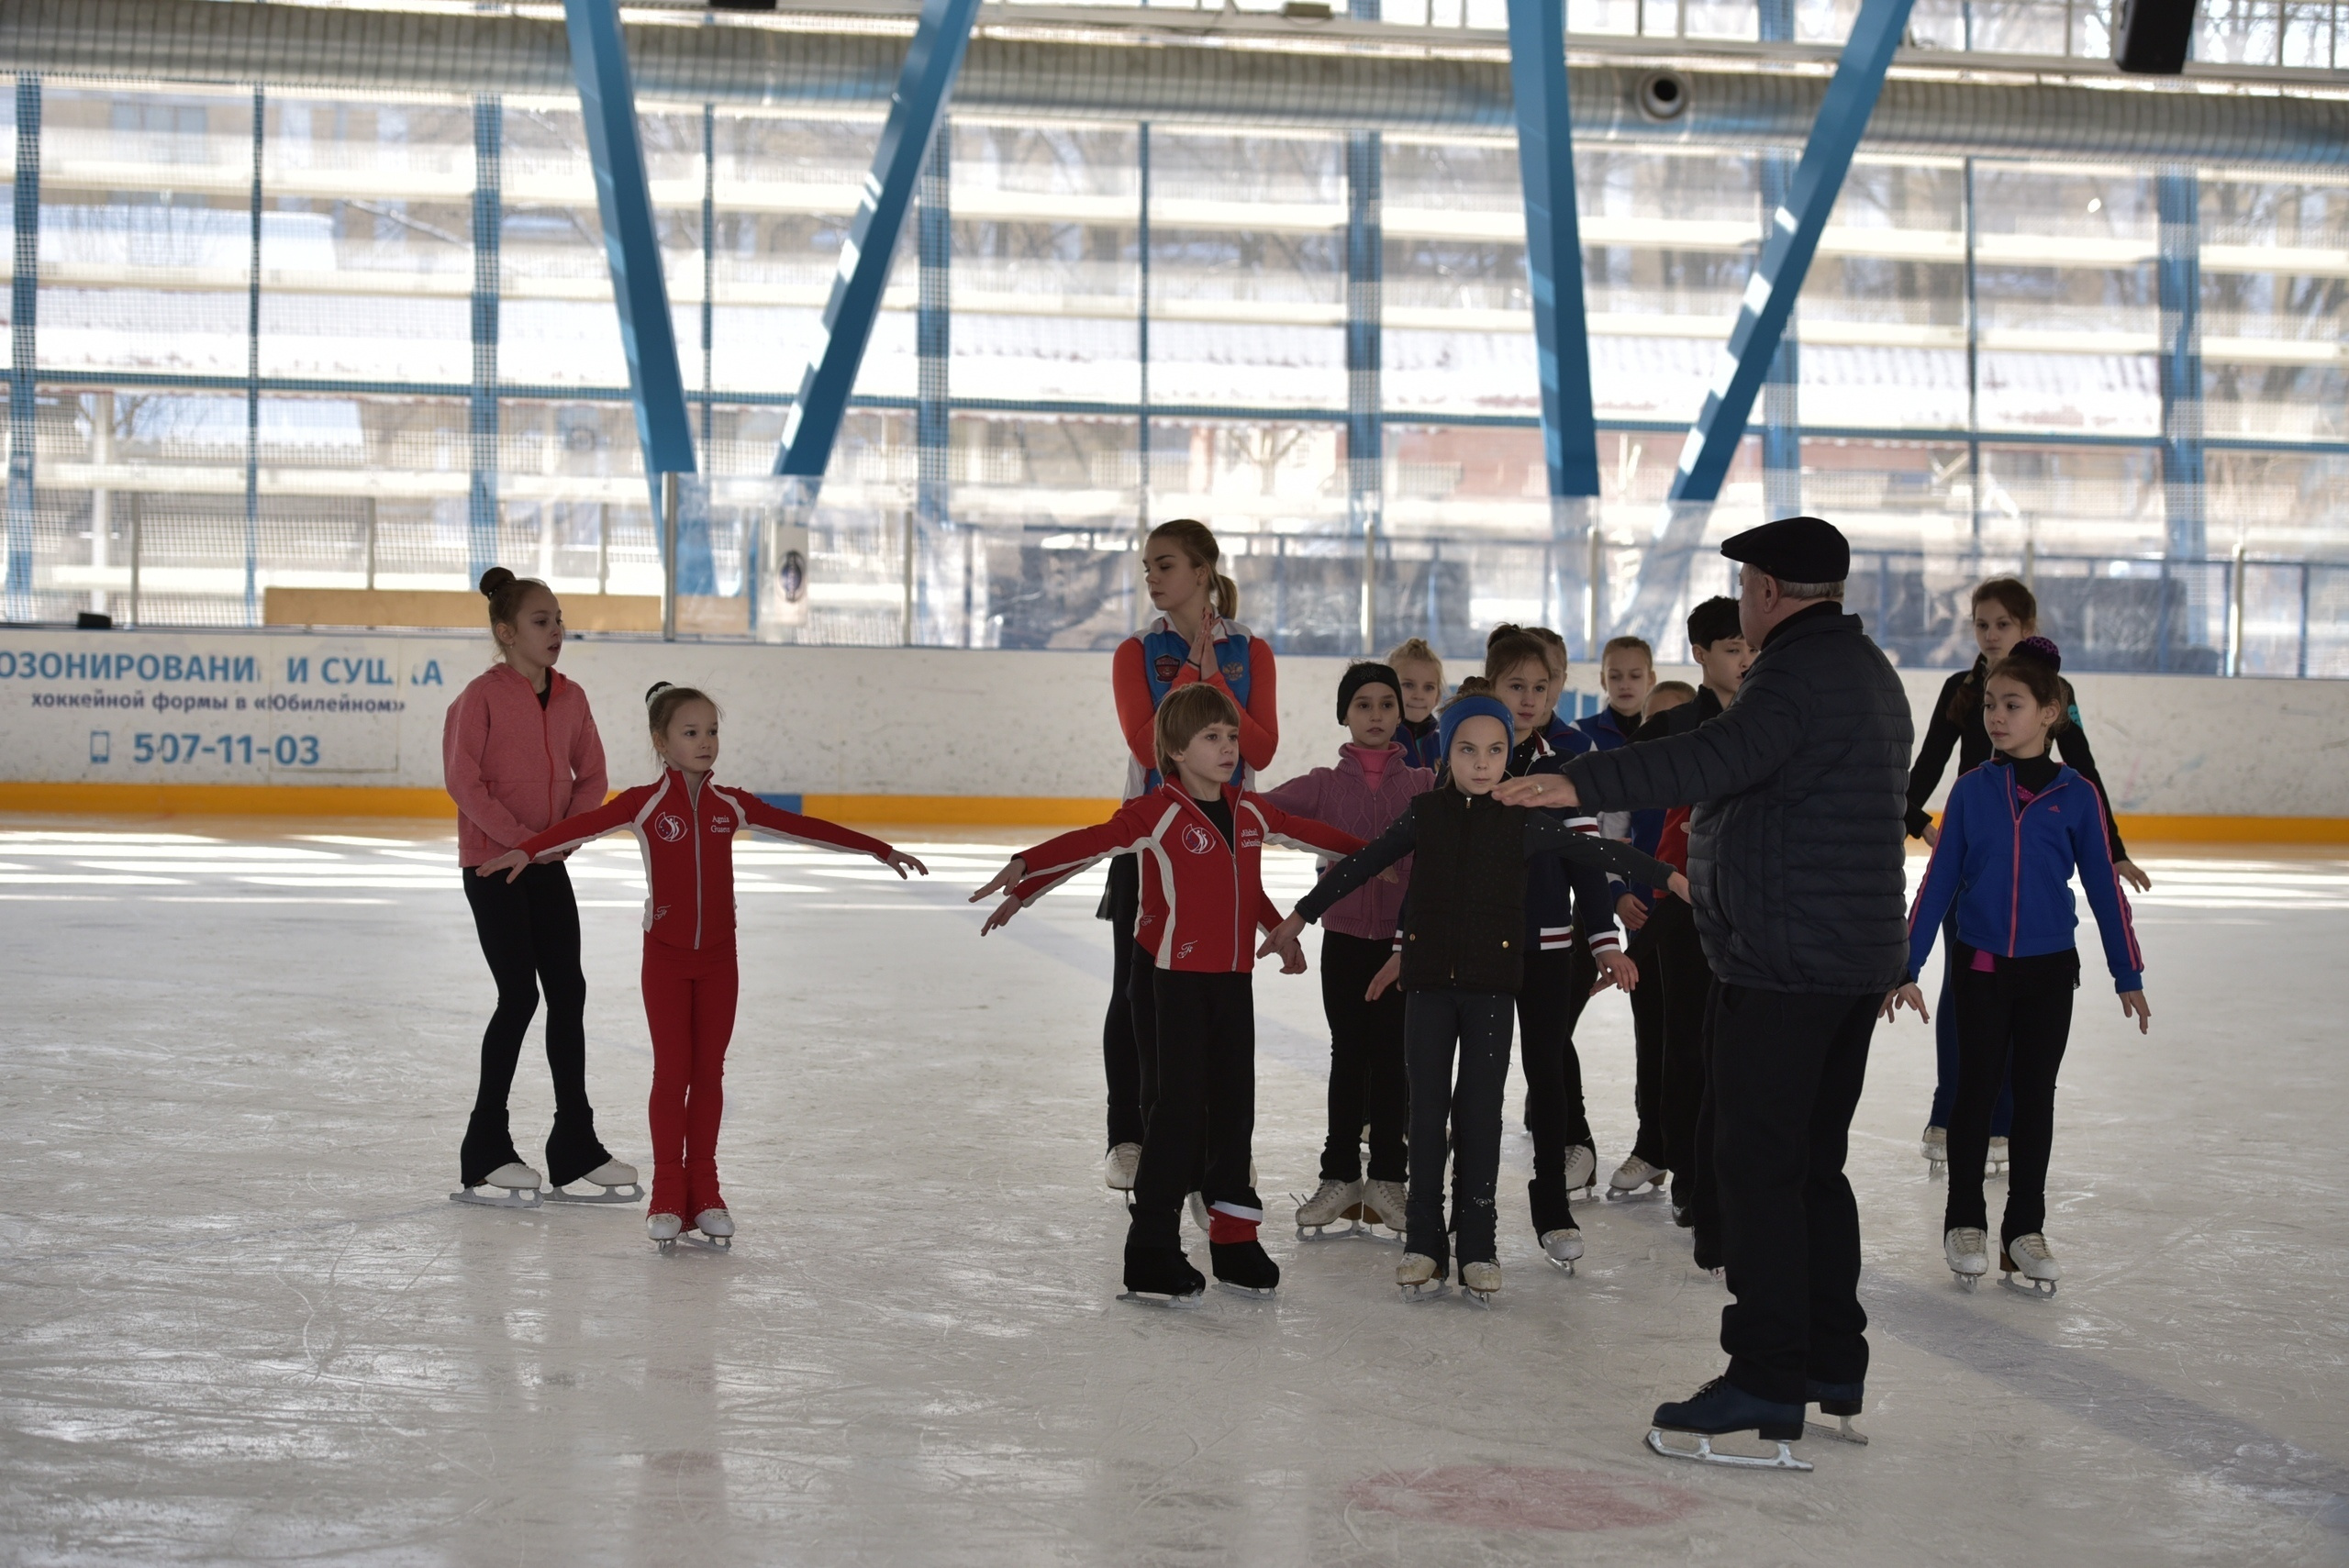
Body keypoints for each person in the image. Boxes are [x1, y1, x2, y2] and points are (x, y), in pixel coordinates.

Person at [1495, 517, 1910, 1469]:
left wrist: (1576, 781)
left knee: (1757, 1168)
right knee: (1808, 1163)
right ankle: (1827, 1356)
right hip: (1840, 957)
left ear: (1766, 588)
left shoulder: (1796, 677)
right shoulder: (1863, 668)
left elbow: (1706, 759)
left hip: (1786, 963)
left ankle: (1765, 1377)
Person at [1258, 691, 1684, 1303]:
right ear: (1447, 751)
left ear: (1508, 754)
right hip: (1429, 991)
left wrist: (1668, 876)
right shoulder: (1425, 814)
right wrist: (1300, 916)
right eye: (1467, 749)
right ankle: (1425, 1244)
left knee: (1480, 1119)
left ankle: (1478, 1247)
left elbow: (1597, 852)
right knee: (1426, 1118)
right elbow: (1362, 863)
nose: (1482, 762)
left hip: (1490, 993)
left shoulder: (1523, 821)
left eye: (1494, 750)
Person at [478, 684, 929, 1249]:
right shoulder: (641, 804)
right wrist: (528, 848)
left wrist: (878, 848)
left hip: (719, 960)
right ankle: (669, 1191)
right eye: (691, 733)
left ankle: (707, 1189)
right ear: (661, 742)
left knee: (709, 1074)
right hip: (665, 960)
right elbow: (576, 829)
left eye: (712, 731)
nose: (705, 742)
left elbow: (808, 828)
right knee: (672, 1075)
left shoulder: (731, 805)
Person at [971, 684, 1355, 1303]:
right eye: (1212, 737)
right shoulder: (1159, 812)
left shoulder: (1250, 810)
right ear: (1174, 750)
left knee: (1234, 1111)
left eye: (1231, 736)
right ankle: (1151, 1248)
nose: (1229, 747)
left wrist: (1387, 859)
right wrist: (1028, 867)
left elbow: (1286, 854)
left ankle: (1235, 1242)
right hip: (1172, 985)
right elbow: (1093, 842)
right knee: (1177, 1116)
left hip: (1233, 984)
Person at [1887, 637, 2151, 1298]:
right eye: (1991, 705)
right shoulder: (1973, 792)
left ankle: (2023, 1228)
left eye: (2013, 704)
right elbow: (1937, 882)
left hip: (2048, 971)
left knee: (2034, 1097)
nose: (1996, 716)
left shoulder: (2077, 796)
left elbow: (2103, 888)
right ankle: (1965, 1221)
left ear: (2051, 712)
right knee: (1975, 1093)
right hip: (1979, 967)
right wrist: (1906, 964)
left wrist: (2128, 973)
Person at [1904, 577, 2152, 1175]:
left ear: (2026, 629)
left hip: (2031, 838)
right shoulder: (1961, 691)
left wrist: (2112, 849)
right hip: (1975, 844)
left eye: (2003, 625)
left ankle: (2002, 1119)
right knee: (1967, 991)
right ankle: (1950, 1110)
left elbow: (2082, 769)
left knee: (2021, 996)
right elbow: (1929, 761)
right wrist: (1918, 821)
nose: (1990, 635)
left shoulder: (2051, 693)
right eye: (1981, 624)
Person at [441, 566, 636, 1208]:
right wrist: (519, 841)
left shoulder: (572, 697)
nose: (556, 630)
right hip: (494, 865)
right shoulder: (480, 697)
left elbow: (594, 774)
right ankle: (485, 1146)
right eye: (540, 620)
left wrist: (558, 838)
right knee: (519, 995)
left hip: (546, 861)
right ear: (505, 632)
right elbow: (464, 782)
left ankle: (573, 1143)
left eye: (558, 619)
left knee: (569, 992)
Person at [1098, 520, 1280, 1196]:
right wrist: (1192, 684)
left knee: (1222, 1000)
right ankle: (1130, 1134)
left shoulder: (1252, 650)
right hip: (1150, 844)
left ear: (1202, 571)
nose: (1152, 576)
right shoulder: (1134, 652)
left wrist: (1214, 682)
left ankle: (1223, 1146)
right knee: (1137, 989)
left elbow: (1259, 748)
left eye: (1165, 564)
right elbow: (1149, 749)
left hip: (1228, 846)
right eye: (1147, 565)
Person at [1262, 662, 1435, 1240]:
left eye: (1388, 703)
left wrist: (1396, 868)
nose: (1378, 715)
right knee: (1347, 1055)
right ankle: (1338, 1176)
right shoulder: (1322, 784)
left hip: (1401, 946)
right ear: (1345, 714)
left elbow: (1439, 852)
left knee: (1392, 1059)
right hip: (1343, 941)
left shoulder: (1422, 784)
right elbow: (1260, 812)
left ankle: (1389, 1176)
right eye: (1364, 705)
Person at [1483, 636, 1641, 1269]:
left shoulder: (1567, 766)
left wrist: (1603, 941)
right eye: (1515, 686)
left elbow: (1588, 859)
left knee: (1546, 1074)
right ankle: (1470, 1211)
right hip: (1481, 950)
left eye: (1540, 688)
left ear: (1556, 691)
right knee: (1479, 1083)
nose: (1528, 699)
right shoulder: (1473, 757)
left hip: (1549, 949)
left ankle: (1552, 1202)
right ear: (1492, 686)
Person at [1632, 600, 1753, 1252]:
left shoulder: (1772, 719)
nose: (1744, 659)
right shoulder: (1675, 727)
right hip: (1684, 905)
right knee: (1684, 1043)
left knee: (1742, 1051)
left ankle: (1730, 1175)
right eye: (1731, 647)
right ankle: (1687, 1172)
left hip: (1755, 910)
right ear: (1701, 652)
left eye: (1749, 647)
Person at [1575, 635, 1673, 1201]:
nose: (1628, 685)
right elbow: (1608, 830)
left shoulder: (1703, 767)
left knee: (1696, 1039)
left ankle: (1691, 1148)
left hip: (1699, 926)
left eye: (1638, 675)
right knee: (1653, 1032)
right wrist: (1615, 895)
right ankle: (1652, 1144)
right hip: (1640, 917)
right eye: (1617, 675)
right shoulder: (1600, 743)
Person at [1386, 637, 1447, 770]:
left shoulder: (1445, 742)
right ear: (1388, 688)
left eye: (1428, 687)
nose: (1419, 696)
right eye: (1408, 685)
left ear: (1437, 696)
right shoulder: (1378, 740)